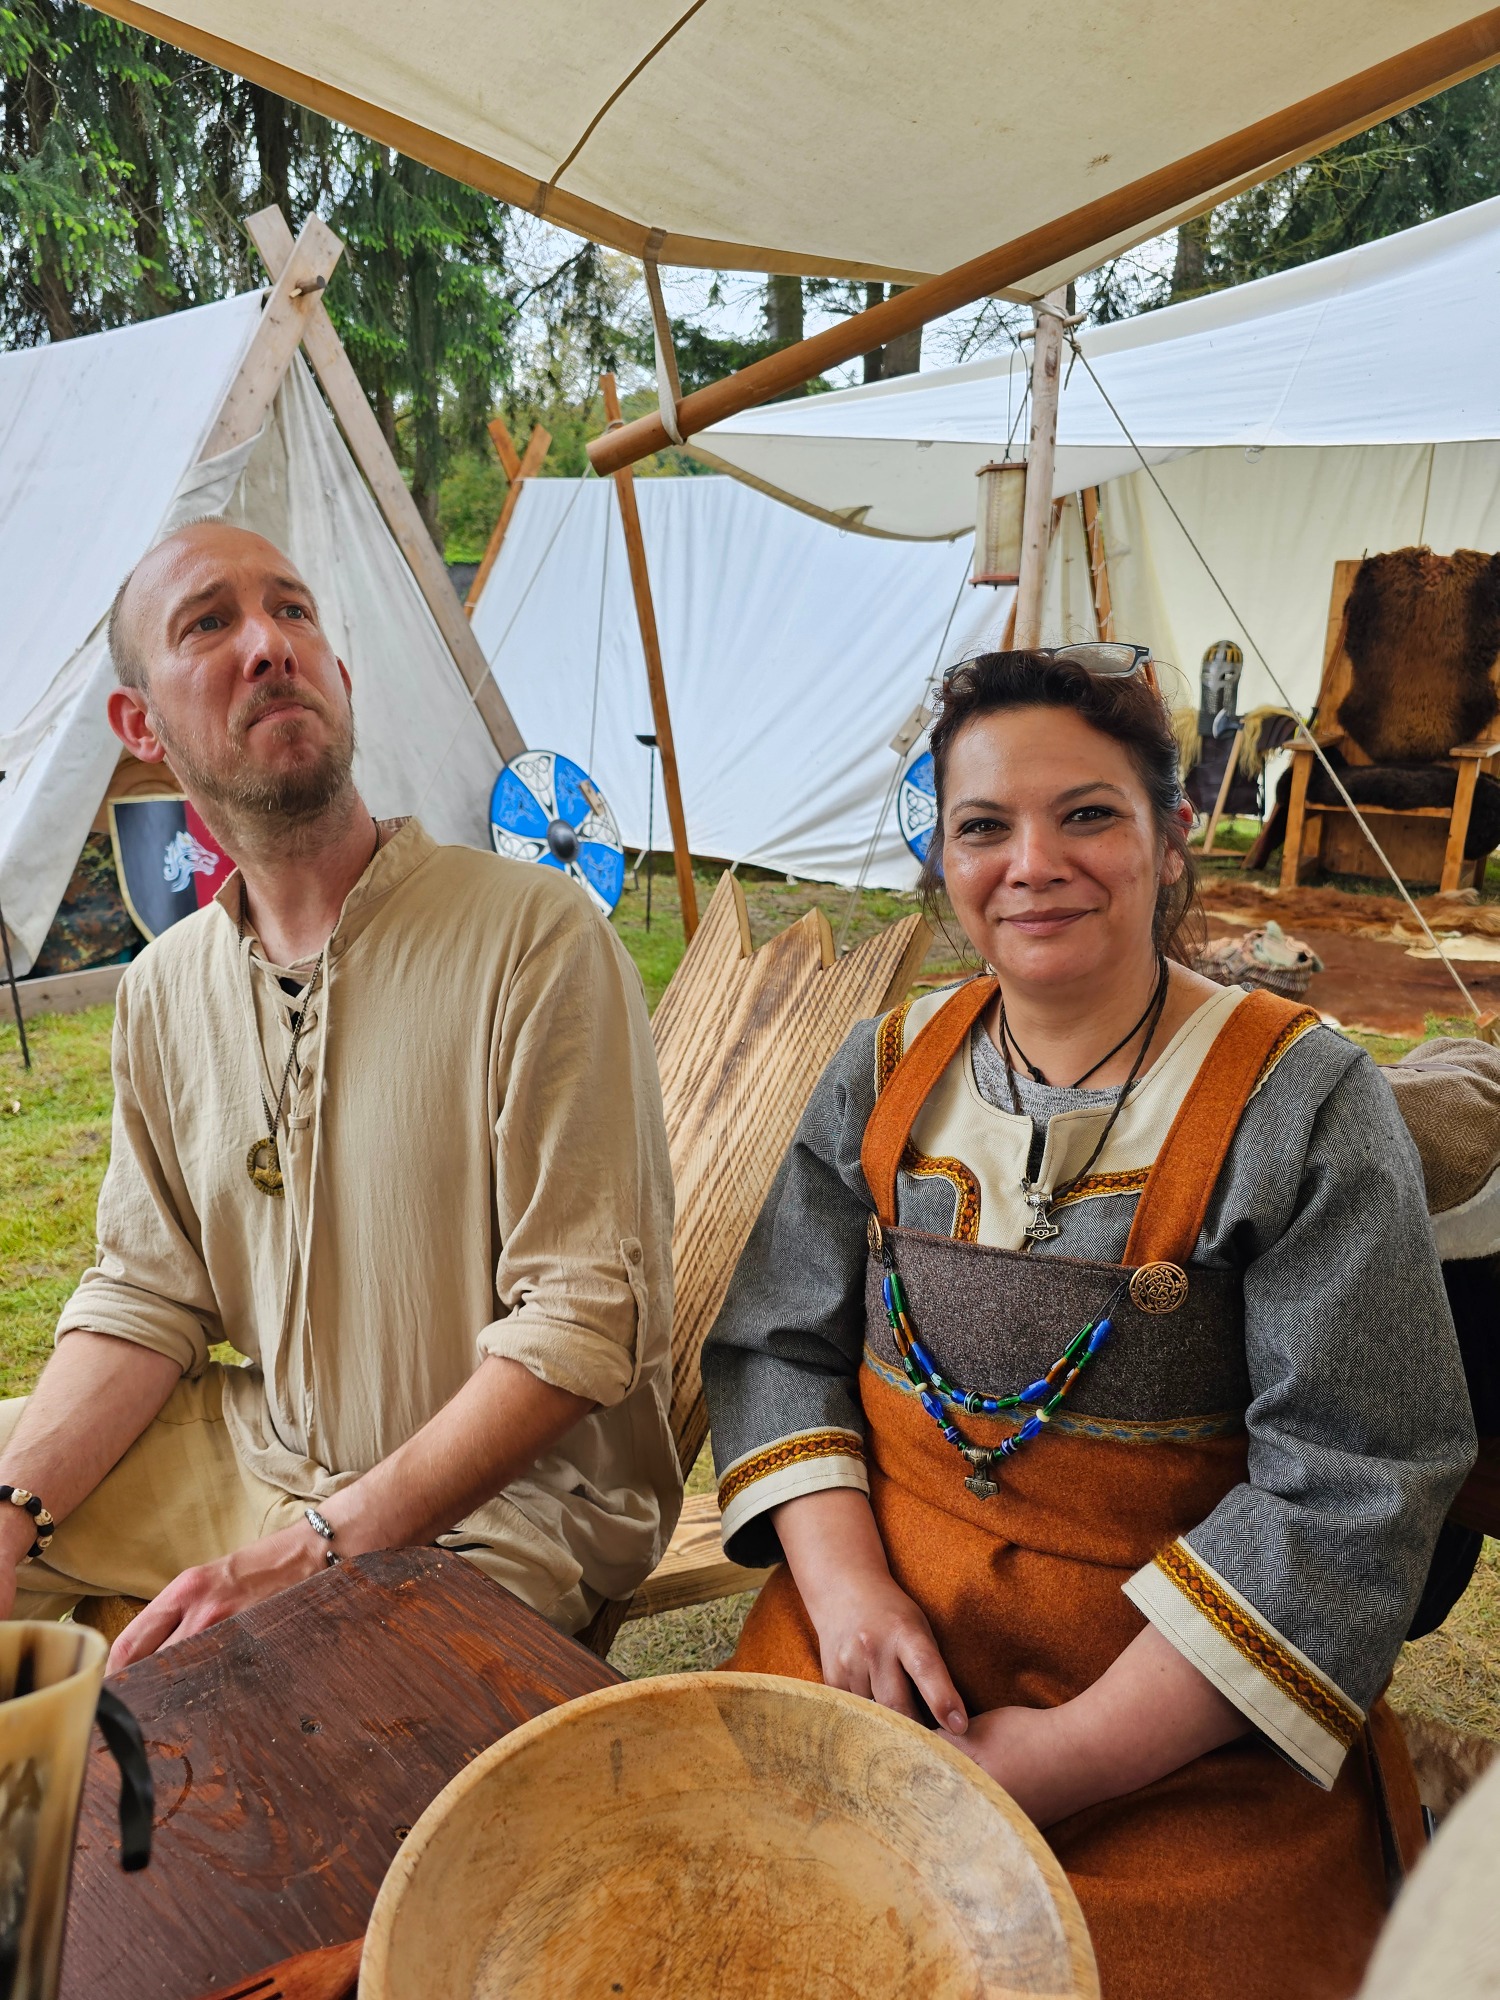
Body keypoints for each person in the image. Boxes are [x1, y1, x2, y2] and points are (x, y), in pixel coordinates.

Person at [702, 646, 1476, 2000]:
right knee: (717, 1920)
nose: (1032, 864)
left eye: (1087, 815)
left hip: (1174, 1737)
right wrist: (850, 1595)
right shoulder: (883, 1070)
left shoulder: (1305, 1105)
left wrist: (1062, 1760)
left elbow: (1355, 1482)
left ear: (1171, 840)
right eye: (983, 826)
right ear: (942, 856)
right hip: (865, 1665)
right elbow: (779, 1346)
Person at [0, 519, 680, 1662]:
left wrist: (315, 1548)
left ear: (341, 678)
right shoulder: (163, 989)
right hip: (260, 1451)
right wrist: (15, 1507)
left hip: (501, 1509)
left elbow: (582, 1317)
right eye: (209, 623)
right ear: (141, 726)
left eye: (293, 610)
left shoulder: (535, 938)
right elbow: (146, 1293)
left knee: (259, 1715)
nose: (270, 642)